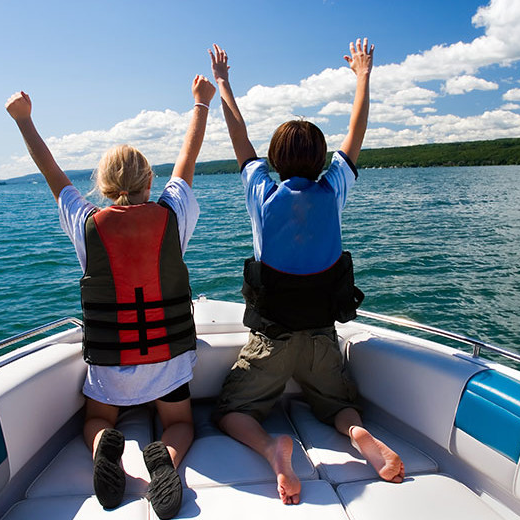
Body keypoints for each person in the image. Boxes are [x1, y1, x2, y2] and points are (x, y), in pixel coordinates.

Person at [5, 74, 216, 519]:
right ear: (150, 182)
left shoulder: (85, 223)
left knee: (98, 419)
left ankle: (105, 447)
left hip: (111, 363)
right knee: (179, 424)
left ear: (100, 186)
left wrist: (25, 121)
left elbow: (52, 174)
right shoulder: (173, 216)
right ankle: (167, 461)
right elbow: (188, 159)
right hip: (168, 359)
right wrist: (200, 103)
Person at [208, 39, 404, 505]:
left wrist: (223, 83)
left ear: (273, 160)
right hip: (321, 341)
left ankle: (273, 452)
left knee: (228, 413)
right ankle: (357, 433)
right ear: (322, 161)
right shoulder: (334, 187)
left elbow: (239, 136)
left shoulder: (261, 192)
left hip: (271, 342)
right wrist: (362, 76)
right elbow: (356, 131)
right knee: (339, 406)